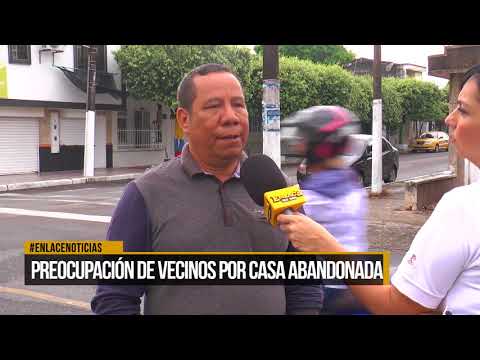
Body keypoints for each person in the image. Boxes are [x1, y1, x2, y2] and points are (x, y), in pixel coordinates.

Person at [91, 63, 322, 315]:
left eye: (238, 104)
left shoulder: (274, 185)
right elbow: (114, 297)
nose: (231, 117)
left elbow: (304, 280)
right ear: (184, 119)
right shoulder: (144, 194)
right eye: (214, 106)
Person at [277, 64, 480, 315]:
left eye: (463, 110)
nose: (449, 119)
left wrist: (324, 244)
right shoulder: (350, 185)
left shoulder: (463, 208)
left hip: (342, 290)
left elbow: (400, 307)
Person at [282, 106, 369, 314]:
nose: (299, 143)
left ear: (317, 147)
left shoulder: (310, 197)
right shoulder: (351, 184)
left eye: (303, 139)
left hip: (329, 292)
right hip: (360, 287)